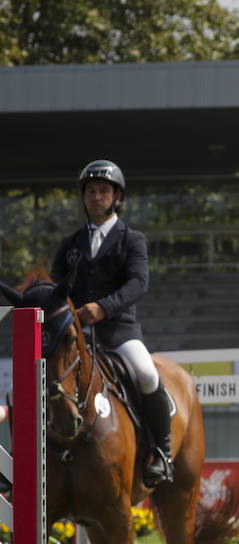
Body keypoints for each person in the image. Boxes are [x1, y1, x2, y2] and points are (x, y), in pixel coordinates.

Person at [50, 159, 173, 487]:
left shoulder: (132, 240)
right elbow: (55, 287)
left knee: (146, 373)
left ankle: (162, 451)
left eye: (104, 191)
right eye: (91, 191)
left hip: (117, 331)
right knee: (38, 381)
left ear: (117, 197)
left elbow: (138, 284)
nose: (96, 196)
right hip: (73, 335)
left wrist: (104, 308)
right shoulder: (70, 245)